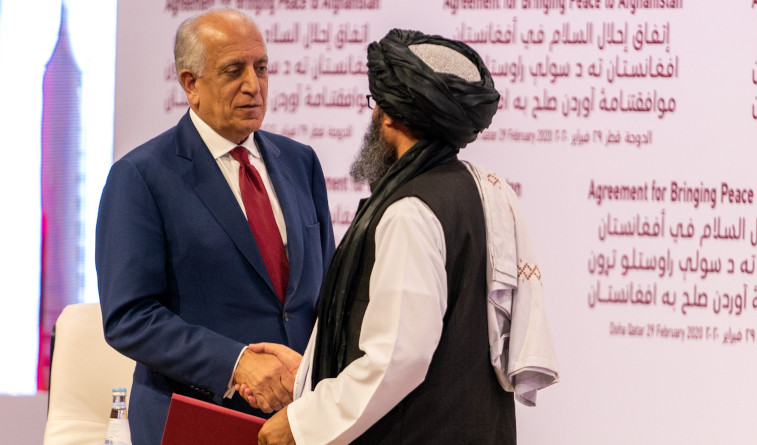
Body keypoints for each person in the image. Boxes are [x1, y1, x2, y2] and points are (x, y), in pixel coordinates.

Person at [249, 29, 559, 444]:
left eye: (375, 105)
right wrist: (312, 370)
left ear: (390, 117)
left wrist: (304, 423)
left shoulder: (409, 212)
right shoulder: (489, 190)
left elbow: (399, 356)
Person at [95, 8, 335, 444]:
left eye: (261, 68)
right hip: (199, 421)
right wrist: (237, 362)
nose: (253, 85)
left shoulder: (301, 163)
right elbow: (129, 317)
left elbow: (325, 297)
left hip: (300, 422)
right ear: (190, 84)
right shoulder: (141, 176)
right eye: (233, 71)